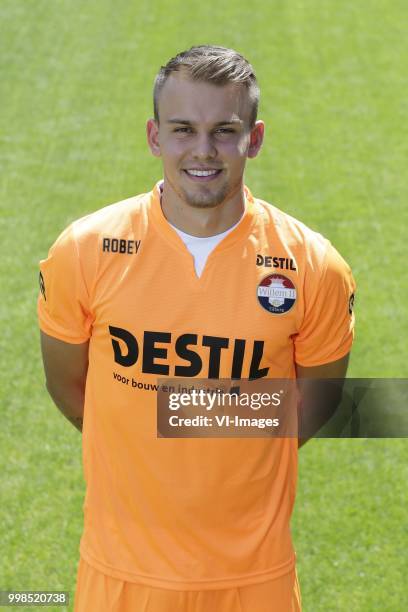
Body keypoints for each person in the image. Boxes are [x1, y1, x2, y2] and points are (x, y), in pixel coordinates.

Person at [38, 45, 356, 612]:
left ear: (254, 139)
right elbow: (69, 388)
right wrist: (144, 428)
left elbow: (319, 400)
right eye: (183, 129)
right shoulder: (84, 251)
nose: (203, 151)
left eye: (224, 130)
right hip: (120, 576)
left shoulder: (313, 265)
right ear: (155, 136)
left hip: (254, 579)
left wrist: (194, 420)